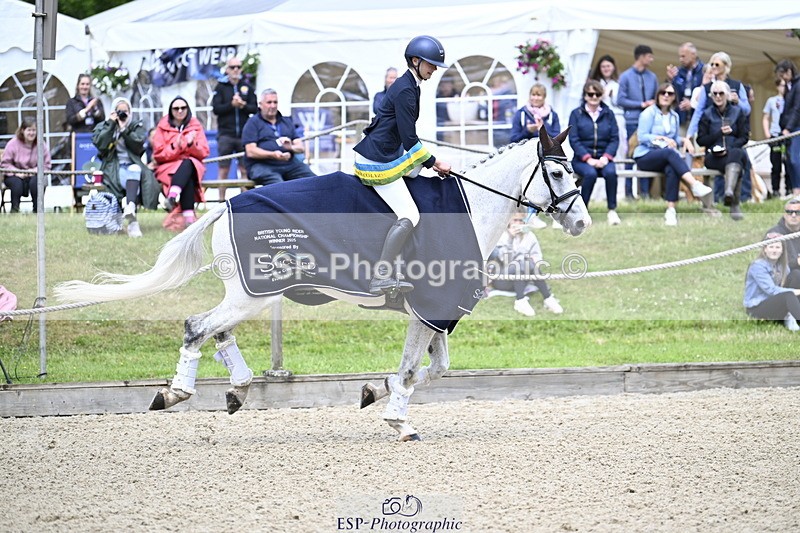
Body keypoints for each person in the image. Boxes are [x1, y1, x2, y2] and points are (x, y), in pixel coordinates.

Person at [353, 35, 452, 295]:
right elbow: (409, 139)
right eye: (431, 64)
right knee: (411, 214)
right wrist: (434, 162)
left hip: (386, 153)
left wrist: (427, 164)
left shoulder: (411, 84)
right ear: (415, 60)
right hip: (376, 160)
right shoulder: (407, 89)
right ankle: (380, 277)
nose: (434, 70)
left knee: (418, 174)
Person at [633, 82, 714, 225]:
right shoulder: (648, 113)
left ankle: (671, 211)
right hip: (645, 155)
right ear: (658, 95)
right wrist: (662, 139)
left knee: (672, 168)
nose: (666, 96)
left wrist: (685, 140)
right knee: (670, 154)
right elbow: (642, 137)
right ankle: (694, 184)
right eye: (663, 93)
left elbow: (674, 138)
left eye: (670, 93)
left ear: (674, 97)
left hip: (664, 158)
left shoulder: (674, 116)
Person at [91, 97, 159, 238]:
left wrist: (124, 129)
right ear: (113, 112)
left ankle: (130, 211)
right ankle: (132, 219)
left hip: (133, 166)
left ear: (130, 112)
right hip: (113, 167)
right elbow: (101, 144)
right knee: (134, 184)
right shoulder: (105, 125)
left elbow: (138, 145)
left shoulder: (135, 126)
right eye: (119, 111)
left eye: (125, 111)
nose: (122, 114)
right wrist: (111, 124)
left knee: (135, 170)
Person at [487, 212, 563, 317]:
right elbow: (506, 260)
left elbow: (537, 257)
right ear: (509, 222)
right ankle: (524, 300)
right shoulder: (502, 236)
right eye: (515, 220)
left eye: (521, 221)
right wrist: (510, 238)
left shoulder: (530, 236)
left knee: (526, 264)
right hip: (502, 278)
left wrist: (534, 261)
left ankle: (546, 298)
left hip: (523, 277)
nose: (518, 223)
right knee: (521, 264)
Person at [568, 79, 621, 226]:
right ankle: (583, 211)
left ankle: (612, 210)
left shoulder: (609, 114)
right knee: (590, 174)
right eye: (590, 94)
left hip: (604, 158)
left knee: (611, 173)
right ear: (585, 95)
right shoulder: (576, 114)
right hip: (582, 159)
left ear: (601, 96)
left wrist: (606, 157)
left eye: (597, 94)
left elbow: (614, 138)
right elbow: (574, 139)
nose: (594, 97)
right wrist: (588, 159)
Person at [152, 96, 210, 228]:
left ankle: (172, 196)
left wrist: (191, 144)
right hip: (169, 167)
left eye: (183, 108)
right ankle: (189, 218)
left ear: (188, 109)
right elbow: (158, 154)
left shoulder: (196, 125)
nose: (180, 111)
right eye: (176, 108)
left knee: (188, 164)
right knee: (187, 172)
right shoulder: (162, 126)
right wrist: (176, 146)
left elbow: (204, 152)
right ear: (170, 110)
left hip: (192, 165)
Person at [696, 80, 750, 221]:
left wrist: (730, 147)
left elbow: (744, 137)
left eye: (721, 93)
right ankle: (734, 204)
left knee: (737, 154)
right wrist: (718, 134)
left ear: (727, 95)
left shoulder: (738, 112)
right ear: (711, 96)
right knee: (738, 161)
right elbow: (701, 140)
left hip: (733, 152)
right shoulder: (706, 114)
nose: (718, 96)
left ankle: (729, 192)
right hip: (713, 156)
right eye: (715, 94)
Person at [241, 89, 316, 186]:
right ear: (260, 104)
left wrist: (291, 148)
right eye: (269, 102)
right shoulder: (252, 123)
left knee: (314, 181)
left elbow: (300, 147)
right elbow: (251, 151)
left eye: (275, 102)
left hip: (289, 164)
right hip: (262, 165)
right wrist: (273, 154)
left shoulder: (286, 122)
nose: (272, 106)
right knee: (278, 185)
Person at [211, 55, 258, 200]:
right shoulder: (220, 87)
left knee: (244, 169)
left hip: (244, 135)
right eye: (232, 67)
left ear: (241, 69)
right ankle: (221, 202)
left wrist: (243, 105)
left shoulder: (247, 87)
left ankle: (245, 202)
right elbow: (216, 109)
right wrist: (231, 105)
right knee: (223, 169)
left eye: (238, 67)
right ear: (227, 70)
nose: (235, 70)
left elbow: (255, 108)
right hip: (226, 134)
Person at [617, 44, 658, 199]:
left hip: (649, 122)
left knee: (646, 154)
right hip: (632, 121)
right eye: (649, 56)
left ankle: (645, 193)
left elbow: (657, 97)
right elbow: (620, 100)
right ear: (641, 57)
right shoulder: (626, 76)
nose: (652, 59)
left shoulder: (652, 77)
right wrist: (641, 104)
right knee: (630, 156)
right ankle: (628, 193)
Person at [743, 232, 800, 332]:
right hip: (757, 308)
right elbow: (771, 290)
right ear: (765, 249)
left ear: (782, 250)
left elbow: (786, 284)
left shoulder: (782, 265)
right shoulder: (757, 266)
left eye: (777, 247)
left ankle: (790, 315)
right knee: (789, 295)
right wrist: (796, 291)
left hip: (774, 302)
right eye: (771, 247)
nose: (774, 250)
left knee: (796, 275)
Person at [686, 51, 751, 138]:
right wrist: (689, 134)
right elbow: (698, 112)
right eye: (712, 64)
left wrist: (738, 101)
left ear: (726, 66)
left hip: (734, 134)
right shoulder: (706, 88)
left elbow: (747, 110)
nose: (713, 67)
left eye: (717, 64)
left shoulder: (737, 85)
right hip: (712, 134)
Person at [1, 118, 50, 213]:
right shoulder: (12, 144)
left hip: (34, 174)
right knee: (16, 184)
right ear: (23, 130)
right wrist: (17, 173)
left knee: (37, 182)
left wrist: (33, 171)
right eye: (29, 130)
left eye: (34, 130)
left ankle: (38, 211)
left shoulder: (41, 144)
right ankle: (15, 211)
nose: (31, 133)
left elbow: (47, 165)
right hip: (14, 175)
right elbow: (5, 164)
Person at [589, 54, 627, 163]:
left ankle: (619, 169)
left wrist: (611, 97)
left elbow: (623, 102)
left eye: (608, 66)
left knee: (619, 144)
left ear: (613, 67)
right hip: (599, 116)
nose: (606, 69)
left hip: (617, 116)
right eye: (603, 66)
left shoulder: (619, 83)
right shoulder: (594, 83)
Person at [665, 42, 705, 129]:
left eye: (683, 56)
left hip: (700, 120)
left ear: (693, 55)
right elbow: (671, 93)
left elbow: (708, 94)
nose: (680, 59)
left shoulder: (704, 71)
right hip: (681, 118)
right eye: (680, 56)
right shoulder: (678, 72)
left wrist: (692, 103)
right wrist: (670, 80)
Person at [763, 77, 789, 198]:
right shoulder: (771, 101)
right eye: (782, 85)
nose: (784, 88)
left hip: (787, 134)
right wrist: (767, 134)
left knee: (788, 162)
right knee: (776, 163)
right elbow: (766, 117)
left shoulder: (790, 100)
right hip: (775, 135)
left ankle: (789, 188)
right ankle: (775, 190)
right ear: (778, 86)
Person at [779, 60, 800, 199]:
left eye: (783, 74)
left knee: (794, 159)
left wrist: (788, 128)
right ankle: (795, 189)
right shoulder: (789, 86)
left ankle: (798, 188)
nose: (782, 78)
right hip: (788, 128)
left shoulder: (798, 85)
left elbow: (797, 109)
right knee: (788, 160)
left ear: (789, 71)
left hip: (796, 128)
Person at [768, 197, 800, 288]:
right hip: (780, 283)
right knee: (796, 275)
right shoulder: (773, 235)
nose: (793, 215)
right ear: (784, 214)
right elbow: (772, 267)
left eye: (797, 212)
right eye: (789, 212)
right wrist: (796, 262)